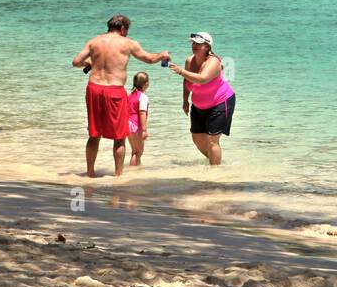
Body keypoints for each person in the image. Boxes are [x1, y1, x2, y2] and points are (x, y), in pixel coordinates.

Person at [72, 15, 170, 177]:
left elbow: (76, 62)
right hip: (114, 90)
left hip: (94, 88)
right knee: (119, 137)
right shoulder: (128, 43)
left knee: (94, 134)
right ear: (123, 29)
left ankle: (90, 173)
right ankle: (118, 176)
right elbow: (149, 59)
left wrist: (87, 64)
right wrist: (162, 54)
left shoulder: (94, 41)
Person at [171, 31, 234, 166]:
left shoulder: (214, 62)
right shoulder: (189, 61)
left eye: (198, 44)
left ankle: (215, 172)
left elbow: (202, 79)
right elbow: (186, 80)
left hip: (221, 102)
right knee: (197, 137)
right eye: (193, 43)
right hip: (199, 105)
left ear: (207, 46)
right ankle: (217, 161)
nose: (194, 46)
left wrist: (181, 71)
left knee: (212, 140)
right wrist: (185, 100)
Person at [127, 72, 151, 168]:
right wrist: (144, 130)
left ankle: (136, 170)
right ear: (146, 84)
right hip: (135, 125)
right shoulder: (143, 97)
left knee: (134, 150)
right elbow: (142, 112)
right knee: (138, 152)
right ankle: (133, 172)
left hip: (127, 124)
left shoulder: (130, 95)